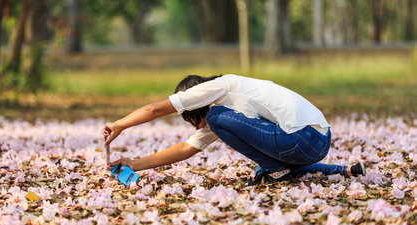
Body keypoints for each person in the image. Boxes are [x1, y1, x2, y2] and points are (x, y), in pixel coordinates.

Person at [102, 74, 365, 186]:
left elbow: (155, 110)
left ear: (195, 100)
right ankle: (342, 170)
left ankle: (276, 171)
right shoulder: (227, 114)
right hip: (318, 141)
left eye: (191, 119)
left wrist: (119, 124)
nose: (195, 125)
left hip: (301, 138)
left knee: (268, 167)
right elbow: (186, 148)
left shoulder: (219, 94)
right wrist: (135, 164)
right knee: (267, 169)